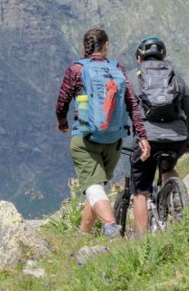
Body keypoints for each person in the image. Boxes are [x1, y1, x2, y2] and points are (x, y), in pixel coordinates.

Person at [55, 28, 150, 236]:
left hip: (85, 138)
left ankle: (110, 226)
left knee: (93, 187)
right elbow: (132, 104)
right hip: (113, 140)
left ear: (84, 47)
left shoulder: (77, 70)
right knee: (97, 186)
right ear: (106, 46)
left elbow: (62, 102)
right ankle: (84, 233)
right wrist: (142, 135)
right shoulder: (118, 69)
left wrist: (62, 122)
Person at [127, 36, 189, 237]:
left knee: (141, 191)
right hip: (178, 137)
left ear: (139, 58)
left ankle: (143, 241)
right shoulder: (174, 76)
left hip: (147, 139)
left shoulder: (132, 77)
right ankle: (180, 201)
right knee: (168, 167)